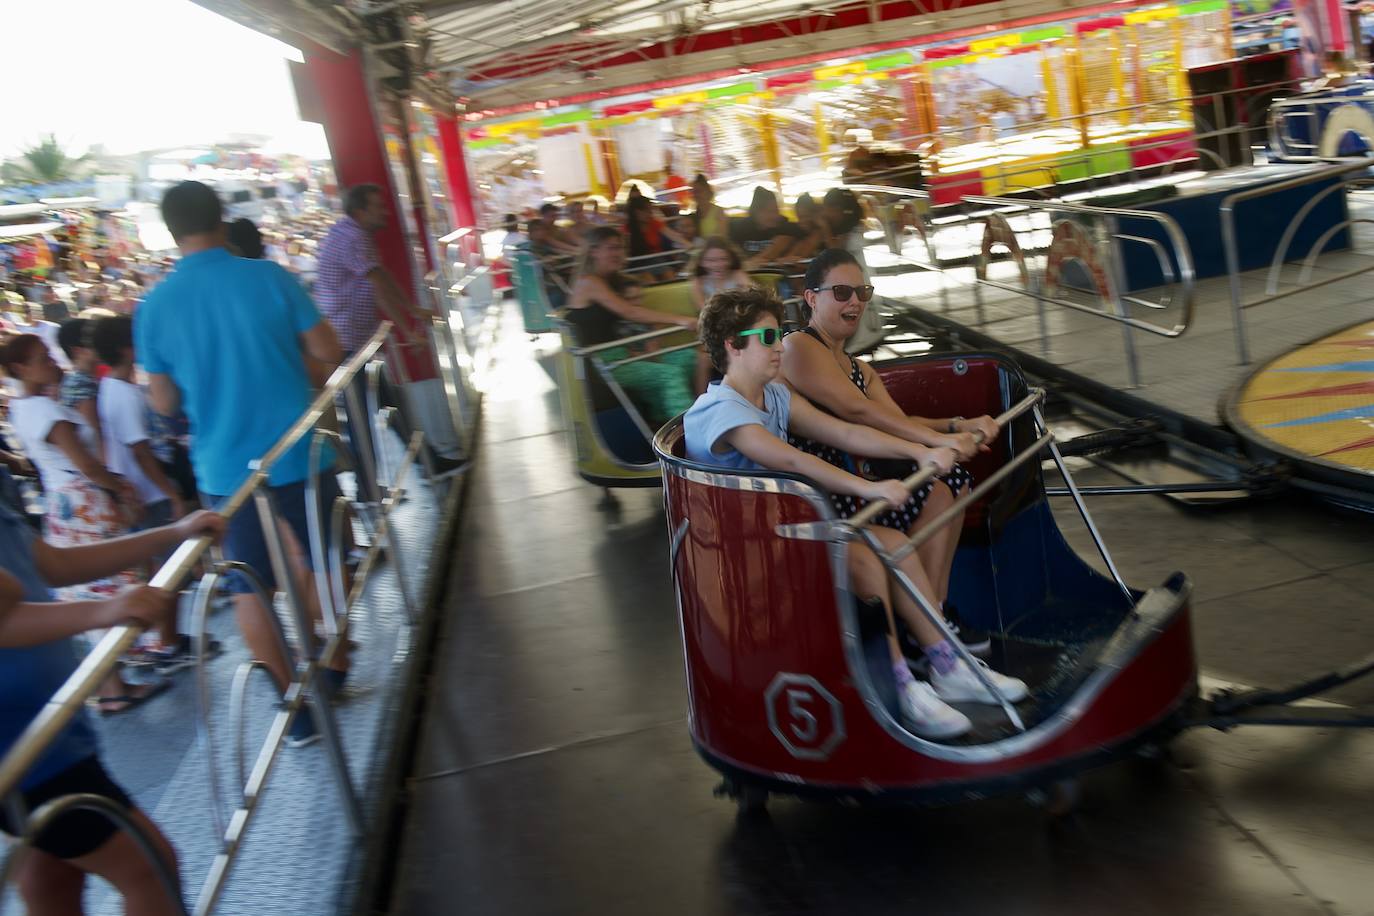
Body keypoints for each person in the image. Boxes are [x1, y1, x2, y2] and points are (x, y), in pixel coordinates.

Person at [684, 286, 1027, 738]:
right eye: (768, 338)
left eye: (781, 335)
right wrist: (869, 487)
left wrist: (922, 451)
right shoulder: (719, 410)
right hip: (750, 555)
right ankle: (900, 684)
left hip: (792, 533)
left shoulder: (775, 397)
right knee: (864, 556)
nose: (779, 346)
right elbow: (790, 461)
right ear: (733, 345)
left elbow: (846, 434)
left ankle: (945, 663)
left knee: (895, 545)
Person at [134, 180, 347, 746]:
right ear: (222, 220)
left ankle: (294, 708)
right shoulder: (269, 277)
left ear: (171, 232)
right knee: (328, 552)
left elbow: (162, 402)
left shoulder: (153, 308)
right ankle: (335, 661)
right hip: (300, 448)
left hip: (223, 469)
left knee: (250, 585)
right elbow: (329, 349)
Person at [0, 474, 224, 916]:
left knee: (53, 881)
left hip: (50, 733)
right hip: (24, 751)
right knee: (149, 867)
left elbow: (56, 564)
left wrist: (170, 534)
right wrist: (104, 609)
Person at [782, 248, 1001, 654]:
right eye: (842, 292)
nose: (855, 302)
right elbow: (857, 411)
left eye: (861, 292)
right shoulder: (798, 346)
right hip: (821, 494)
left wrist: (957, 426)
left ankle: (930, 615)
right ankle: (928, 628)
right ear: (811, 298)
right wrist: (939, 443)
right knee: (941, 478)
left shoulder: (858, 368)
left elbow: (897, 418)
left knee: (948, 484)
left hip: (859, 484)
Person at [2, 333, 169, 714]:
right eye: (41, 358)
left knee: (93, 588)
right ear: (20, 368)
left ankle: (114, 683)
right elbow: (87, 464)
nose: (51, 361)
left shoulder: (23, 408)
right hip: (84, 501)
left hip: (65, 501)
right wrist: (121, 488)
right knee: (106, 585)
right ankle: (114, 684)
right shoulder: (44, 411)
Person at [314, 183, 461, 476]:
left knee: (383, 405)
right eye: (377, 207)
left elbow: (381, 281)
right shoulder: (353, 237)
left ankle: (422, 463)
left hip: (353, 341)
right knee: (363, 416)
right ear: (360, 211)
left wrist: (412, 312)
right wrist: (408, 328)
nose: (385, 212)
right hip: (346, 342)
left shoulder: (354, 235)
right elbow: (379, 284)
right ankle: (374, 483)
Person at [567, 227, 699, 427]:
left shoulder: (610, 280)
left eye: (620, 248)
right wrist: (680, 319)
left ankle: (660, 418)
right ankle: (690, 436)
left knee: (691, 357)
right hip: (604, 360)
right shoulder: (588, 283)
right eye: (611, 248)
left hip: (626, 352)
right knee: (668, 374)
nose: (618, 253)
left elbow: (633, 306)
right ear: (593, 251)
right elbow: (630, 312)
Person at [56, 318, 103, 457]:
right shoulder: (81, 383)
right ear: (77, 350)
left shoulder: (79, 379)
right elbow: (96, 431)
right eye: (94, 341)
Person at [729, 186, 806, 268]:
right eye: (769, 212)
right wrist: (744, 264)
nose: (774, 216)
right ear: (756, 212)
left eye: (776, 211)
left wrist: (793, 253)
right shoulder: (739, 228)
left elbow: (808, 236)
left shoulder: (785, 227)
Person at [625, 195, 687, 281]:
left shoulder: (653, 223)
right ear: (637, 212)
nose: (650, 213)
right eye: (647, 211)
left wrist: (687, 243)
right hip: (637, 263)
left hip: (655, 259)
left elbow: (672, 234)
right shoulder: (627, 229)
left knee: (669, 275)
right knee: (649, 279)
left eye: (650, 210)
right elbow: (625, 249)